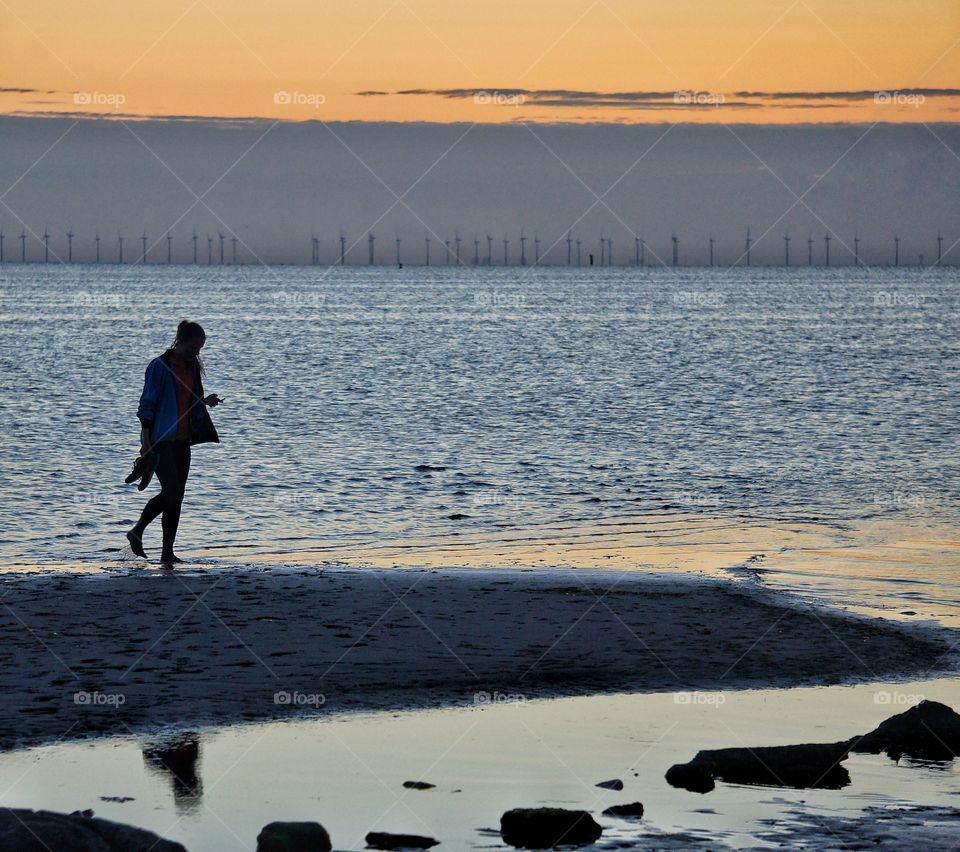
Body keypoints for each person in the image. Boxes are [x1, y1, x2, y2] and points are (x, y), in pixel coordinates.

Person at [127, 320, 222, 565]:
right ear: (179, 342)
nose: (195, 354)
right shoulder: (159, 366)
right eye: (192, 348)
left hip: (183, 440)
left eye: (199, 350)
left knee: (177, 497)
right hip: (160, 439)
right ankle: (137, 530)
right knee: (172, 492)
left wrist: (205, 401)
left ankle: (167, 552)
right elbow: (146, 404)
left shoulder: (192, 368)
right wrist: (145, 440)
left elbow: (192, 402)